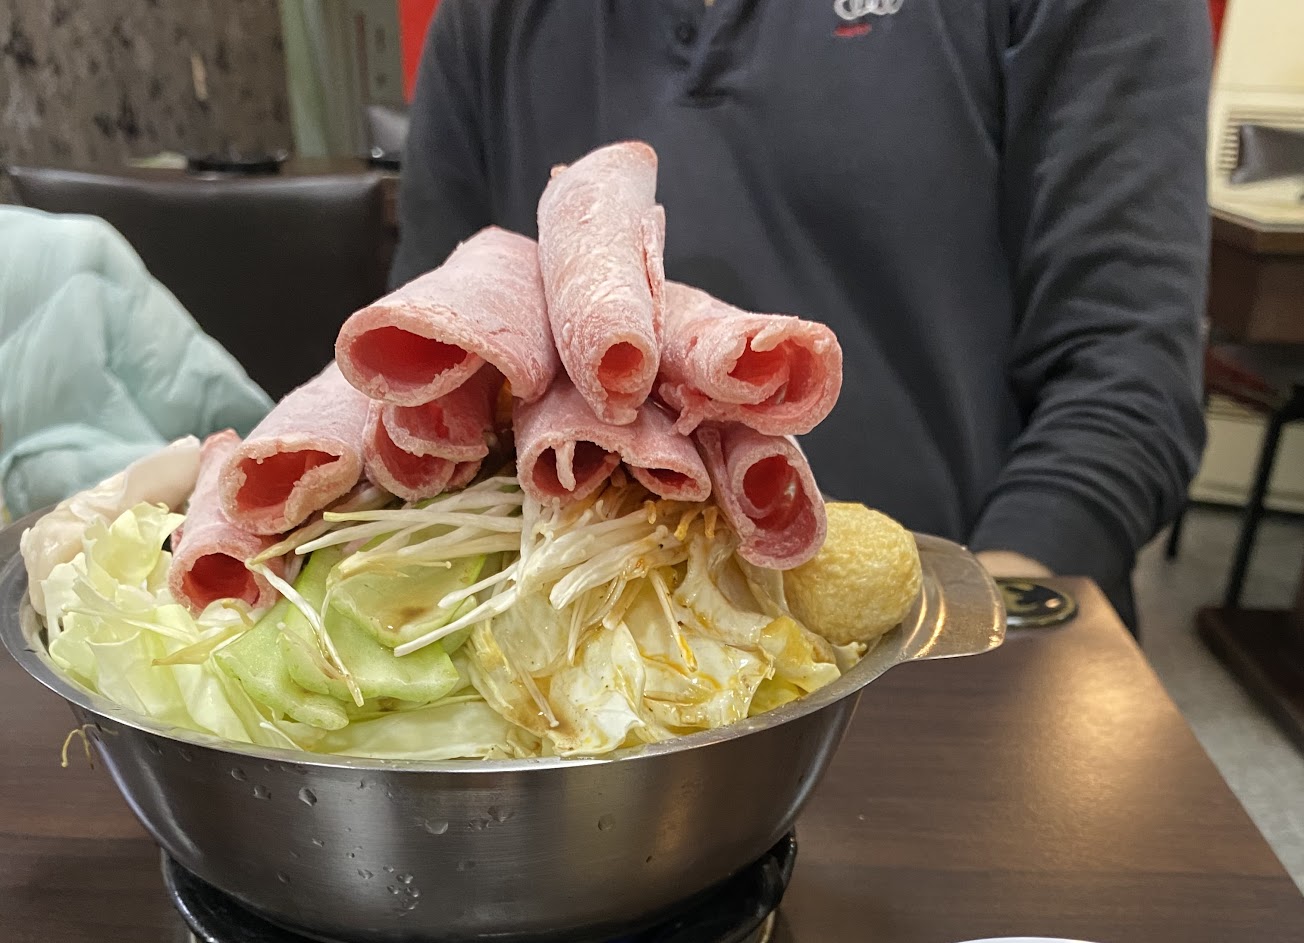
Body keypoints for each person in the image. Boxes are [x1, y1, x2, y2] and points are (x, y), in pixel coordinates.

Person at [390, 0, 1212, 629]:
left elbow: (1125, 370)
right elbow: (423, 372)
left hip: (945, 655)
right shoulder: (490, 17)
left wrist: (963, 634)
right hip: (567, 670)